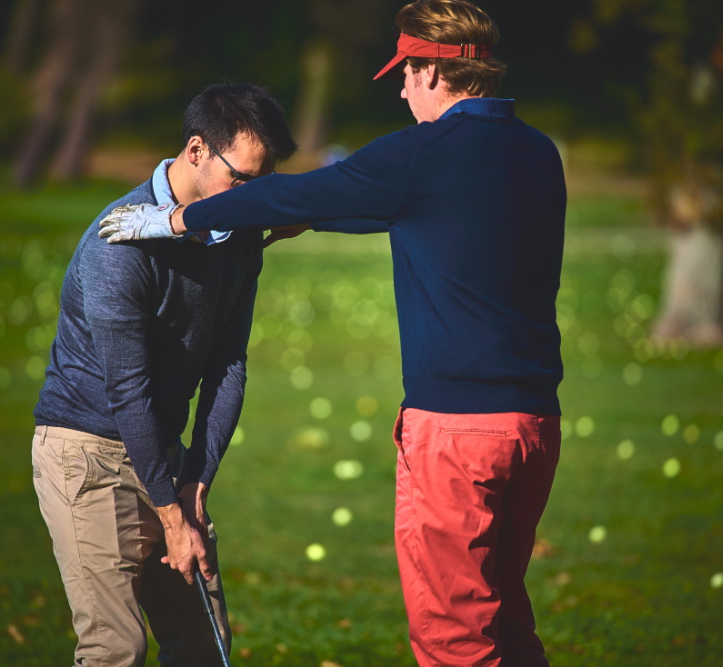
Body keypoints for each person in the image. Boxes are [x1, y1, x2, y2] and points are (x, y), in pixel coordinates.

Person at [99, 1, 565, 664]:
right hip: (534, 427)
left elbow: (299, 194)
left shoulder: (423, 154)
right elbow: (413, 215)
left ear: (435, 70)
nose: (402, 89)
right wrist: (316, 216)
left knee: (455, 635)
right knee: (505, 619)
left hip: (456, 435)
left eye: (406, 73)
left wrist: (171, 222)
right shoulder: (537, 153)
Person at [32, 83, 296, 666]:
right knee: (115, 649)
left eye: (264, 183)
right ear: (197, 150)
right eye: (242, 180)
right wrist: (171, 515)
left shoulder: (240, 233)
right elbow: (128, 390)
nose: (252, 197)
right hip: (88, 456)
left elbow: (229, 361)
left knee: (203, 647)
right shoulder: (117, 246)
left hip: (164, 457)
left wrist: (195, 481)